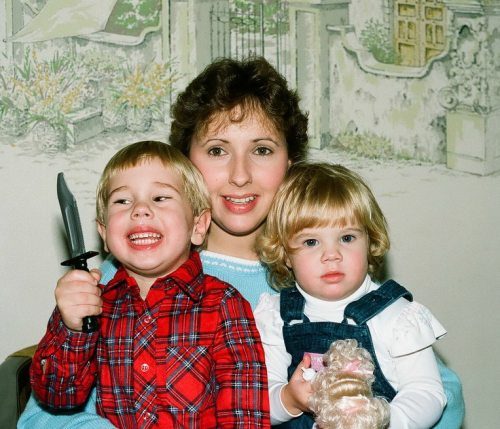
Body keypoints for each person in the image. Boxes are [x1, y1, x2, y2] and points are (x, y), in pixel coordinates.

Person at [19, 56, 463, 428]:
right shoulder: (129, 277)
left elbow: (443, 395)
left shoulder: (327, 270)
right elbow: (44, 416)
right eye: (217, 150)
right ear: (185, 163)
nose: (239, 175)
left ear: (290, 162)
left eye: (262, 150)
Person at [29, 141, 270, 428]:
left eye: (160, 198)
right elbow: (58, 397)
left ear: (198, 226)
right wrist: (72, 329)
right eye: (122, 201)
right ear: (104, 233)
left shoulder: (224, 304)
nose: (140, 209)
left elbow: (245, 414)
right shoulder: (92, 306)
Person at [254, 162, 448, 428]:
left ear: (370, 241)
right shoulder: (276, 316)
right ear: (285, 254)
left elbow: (427, 393)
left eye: (346, 238)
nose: (331, 255)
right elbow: (257, 403)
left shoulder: (397, 316)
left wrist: (382, 421)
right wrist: (289, 399)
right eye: (311, 242)